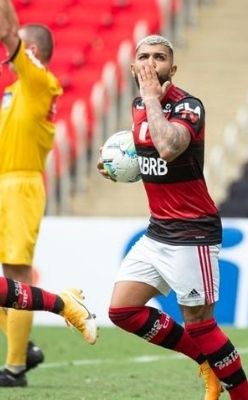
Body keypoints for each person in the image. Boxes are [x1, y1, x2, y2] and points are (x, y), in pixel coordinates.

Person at [98, 35, 248, 400]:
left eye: (159, 57)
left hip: (192, 231)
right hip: (158, 231)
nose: (151, 63)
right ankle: (206, 363)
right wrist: (121, 168)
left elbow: (168, 147)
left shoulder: (188, 107)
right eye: (144, 57)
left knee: (201, 324)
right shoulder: (139, 105)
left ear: (173, 68)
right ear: (134, 67)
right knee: (123, 310)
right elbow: (150, 154)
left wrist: (153, 98)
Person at [0, 0, 71, 386]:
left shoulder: (41, 83)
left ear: (36, 53)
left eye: (21, 48)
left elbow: (8, 36)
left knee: (15, 275)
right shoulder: (14, 91)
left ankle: (14, 368)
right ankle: (20, 340)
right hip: (2, 183)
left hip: (22, 186)